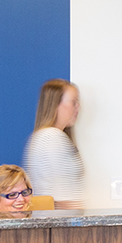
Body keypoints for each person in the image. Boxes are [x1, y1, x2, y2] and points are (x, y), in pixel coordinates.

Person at [24, 78, 85, 209]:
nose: (78, 108)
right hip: (60, 223)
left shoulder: (46, 136)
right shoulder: (51, 137)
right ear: (55, 104)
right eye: (73, 102)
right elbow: (62, 200)